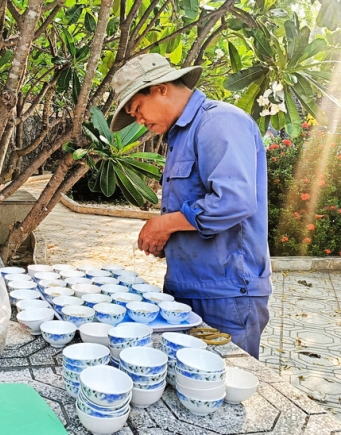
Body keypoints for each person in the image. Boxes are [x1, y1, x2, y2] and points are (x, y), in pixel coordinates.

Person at [109, 53, 272, 359]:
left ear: (160, 88)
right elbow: (195, 211)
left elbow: (234, 200)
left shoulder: (218, 122)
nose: (139, 121)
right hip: (189, 289)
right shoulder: (179, 136)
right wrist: (170, 239)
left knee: (221, 388)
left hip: (225, 295)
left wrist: (164, 224)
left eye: (138, 109)